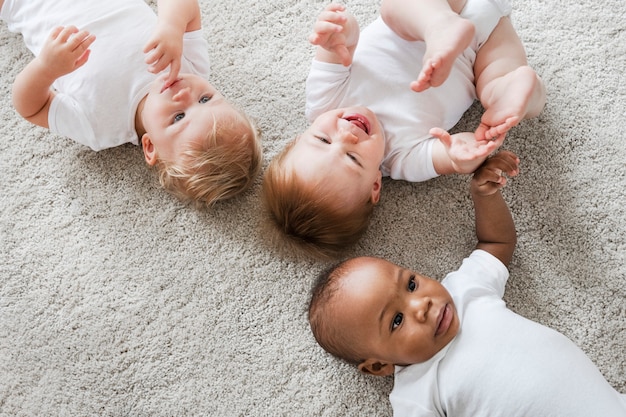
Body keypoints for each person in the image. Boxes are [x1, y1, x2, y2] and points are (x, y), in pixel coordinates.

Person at [308, 151, 626, 416]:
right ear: (379, 366)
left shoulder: (463, 290)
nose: (422, 306)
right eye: (396, 320)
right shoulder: (416, 395)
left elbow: (496, 243)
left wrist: (484, 194)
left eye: (411, 285)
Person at [262, 0, 545, 257]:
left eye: (323, 139)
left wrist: (338, 36)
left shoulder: (322, 102)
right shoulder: (402, 160)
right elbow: (449, 154)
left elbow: (341, 48)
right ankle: (521, 89)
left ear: (300, 137)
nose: (347, 135)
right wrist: (460, 154)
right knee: (496, 96)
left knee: (394, 7)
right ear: (375, 183)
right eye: (352, 158)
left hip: (436, 11)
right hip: (486, 45)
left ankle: (440, 28)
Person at [1, 0, 262, 206]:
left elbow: (30, 107)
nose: (185, 94)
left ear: (150, 147)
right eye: (206, 99)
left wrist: (46, 68)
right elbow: (187, 6)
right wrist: (172, 24)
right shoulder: (191, 67)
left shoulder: (99, 125)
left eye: (179, 117)